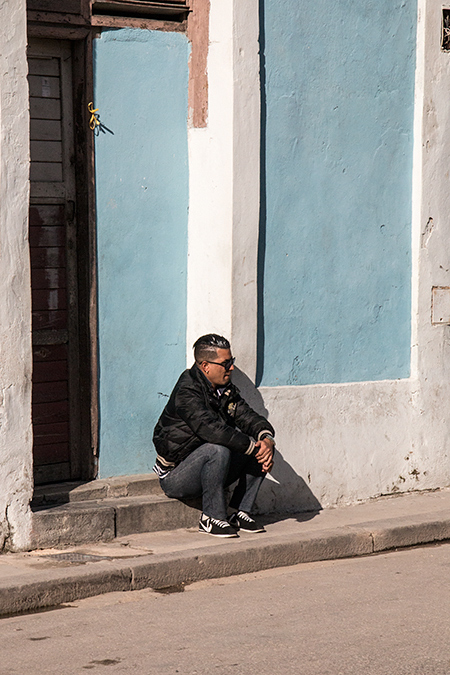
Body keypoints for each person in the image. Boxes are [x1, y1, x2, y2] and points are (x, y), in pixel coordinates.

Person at [153, 334, 275, 538]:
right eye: (226, 363)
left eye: (232, 361)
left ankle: (240, 512)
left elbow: (248, 416)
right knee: (217, 449)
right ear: (205, 366)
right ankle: (211, 517)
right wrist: (252, 446)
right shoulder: (187, 390)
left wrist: (267, 441)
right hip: (176, 475)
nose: (231, 368)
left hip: (210, 468)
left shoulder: (225, 390)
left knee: (263, 447)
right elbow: (211, 429)